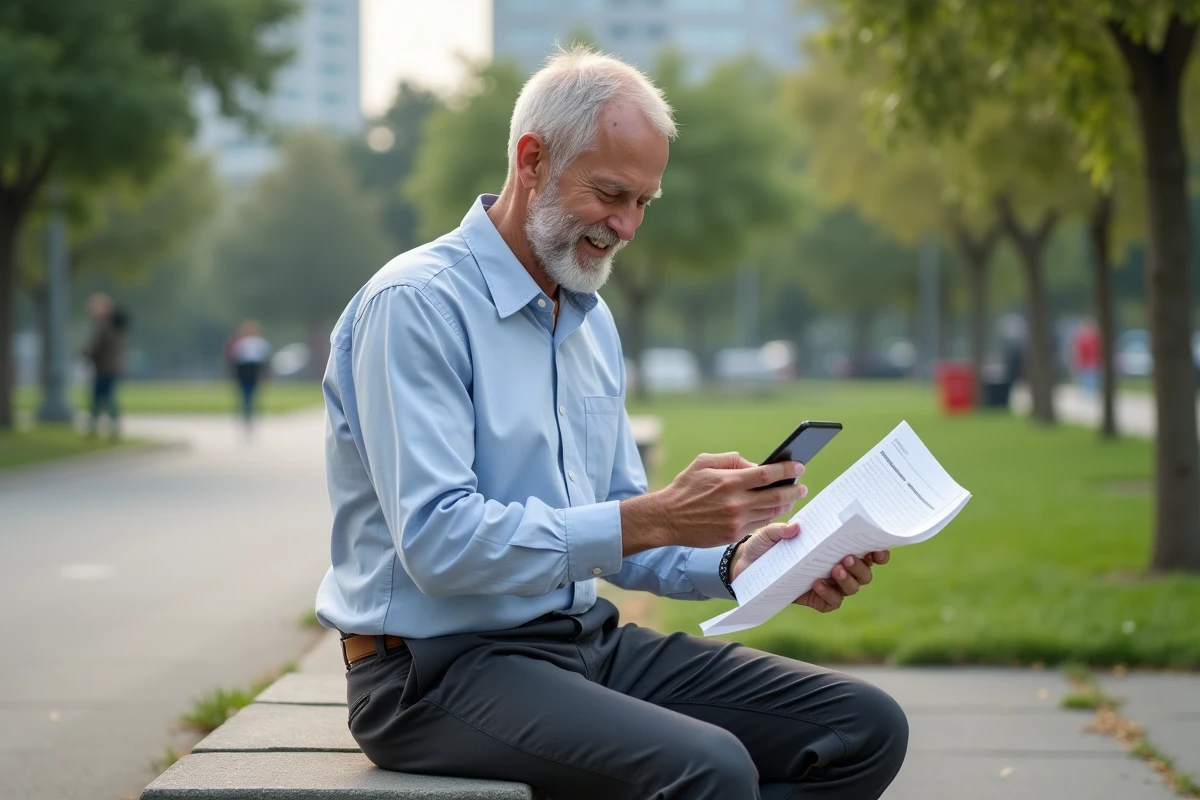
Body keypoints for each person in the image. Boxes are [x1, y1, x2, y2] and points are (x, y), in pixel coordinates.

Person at [315, 46, 907, 800]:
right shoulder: (415, 306)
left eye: (643, 204)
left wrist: (742, 562)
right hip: (432, 673)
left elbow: (625, 539)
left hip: (580, 645)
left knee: (864, 727)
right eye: (610, 193)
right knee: (711, 768)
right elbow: (440, 546)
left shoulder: (589, 322)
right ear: (531, 161)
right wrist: (650, 515)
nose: (626, 226)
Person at [82, 293, 126, 440]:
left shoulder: (105, 329)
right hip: (110, 368)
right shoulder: (116, 328)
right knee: (104, 398)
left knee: (102, 399)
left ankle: (101, 428)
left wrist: (85, 353)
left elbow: (97, 348)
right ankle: (104, 428)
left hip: (105, 369)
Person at [227, 320, 272, 431]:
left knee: (252, 393)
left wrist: (265, 372)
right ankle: (246, 414)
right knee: (245, 393)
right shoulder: (242, 343)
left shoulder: (260, 343)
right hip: (244, 370)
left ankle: (250, 414)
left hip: (254, 370)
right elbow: (235, 360)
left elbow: (264, 360)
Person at [1072, 317, 1101, 396]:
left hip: (1092, 364)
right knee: (1087, 383)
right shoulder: (1083, 338)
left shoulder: (1095, 338)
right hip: (1086, 364)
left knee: (1091, 383)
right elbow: (1078, 352)